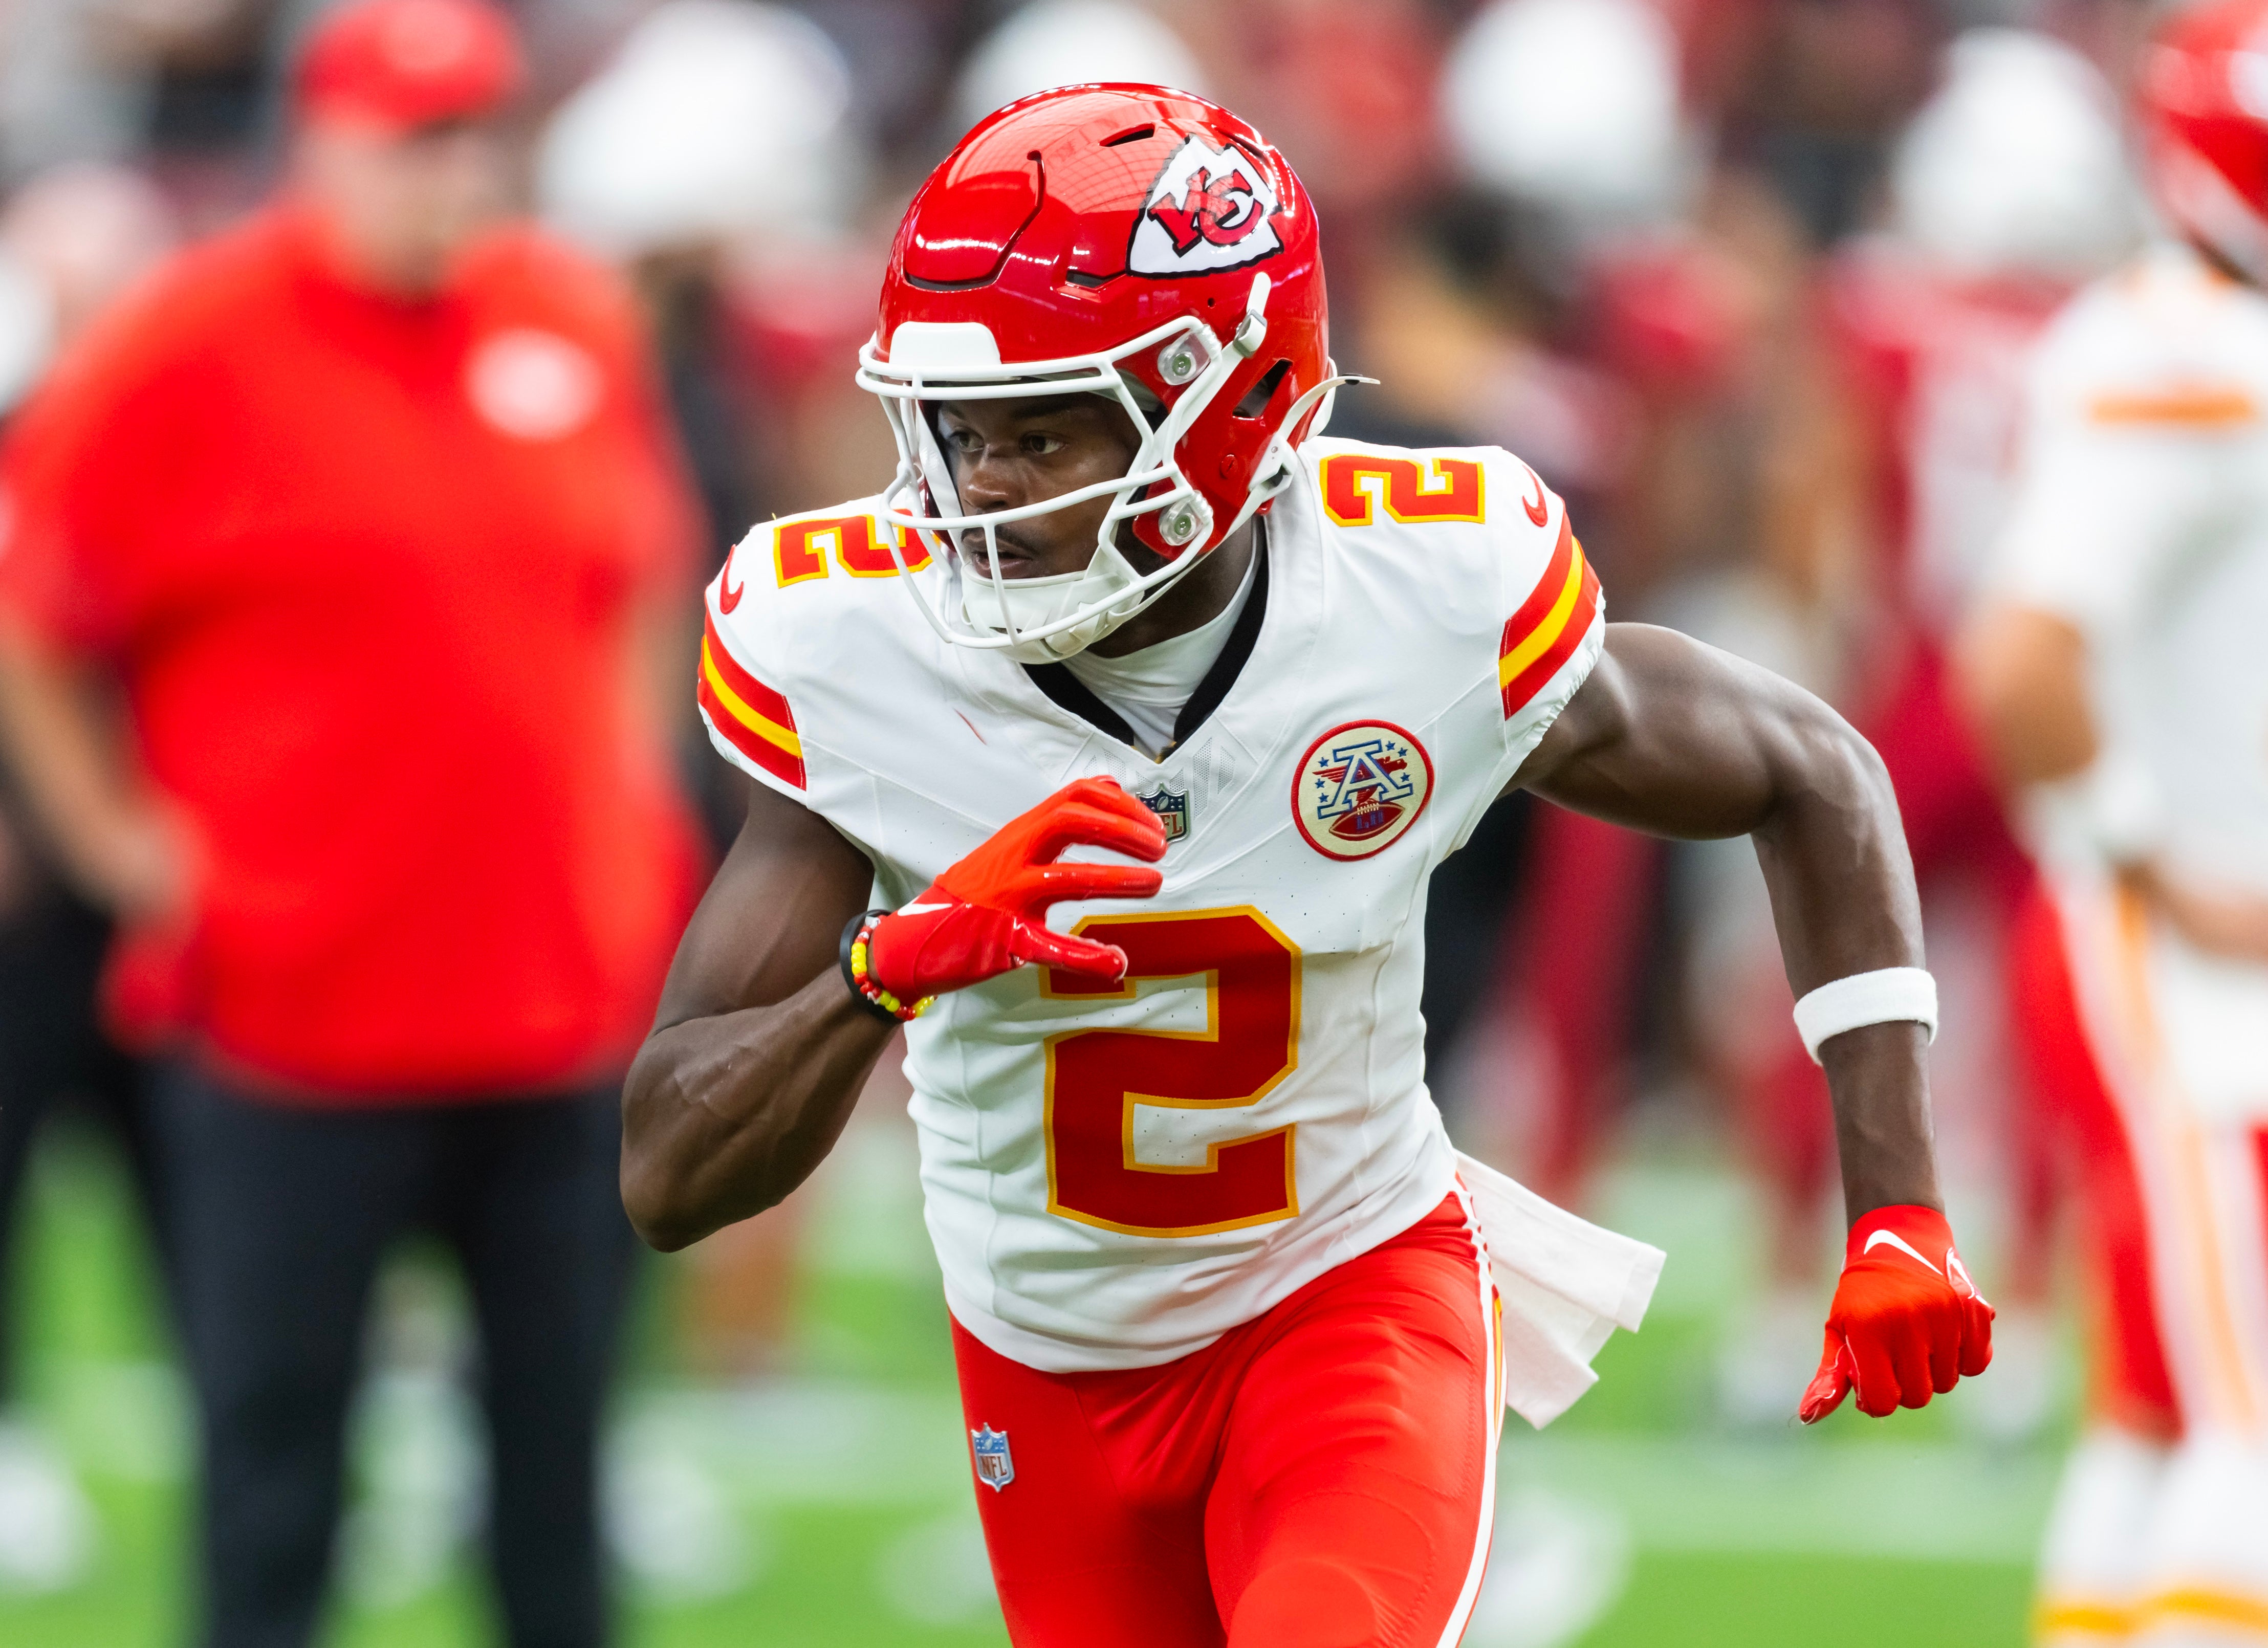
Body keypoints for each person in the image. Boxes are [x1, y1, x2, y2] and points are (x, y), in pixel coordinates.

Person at [621, 85, 1993, 1648]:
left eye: (1042, 426)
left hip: (1346, 1305)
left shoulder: (1423, 586)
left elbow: (1811, 770)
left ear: (1229, 399)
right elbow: (667, 1175)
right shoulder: (853, 641)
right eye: (953, 430)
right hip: (1046, 1369)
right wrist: (891, 966)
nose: (977, 489)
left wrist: (1900, 1207)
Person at [0, 0, 702, 1642]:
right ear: (321, 142)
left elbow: (642, 562)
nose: (446, 173)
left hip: (551, 1006)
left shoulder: (564, 317)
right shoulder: (190, 343)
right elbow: (33, 607)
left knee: (557, 1472)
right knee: (275, 1478)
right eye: (412, 137)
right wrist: (113, 838)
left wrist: (630, 780)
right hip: (293, 1017)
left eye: (471, 134)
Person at [1956, 2, 2268, 1640]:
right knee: (2253, 1415)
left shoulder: (2193, 340)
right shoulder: (2188, 357)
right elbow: (2019, 664)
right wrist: (2151, 853)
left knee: (2156, 1403)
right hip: (2181, 968)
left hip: (2163, 955)